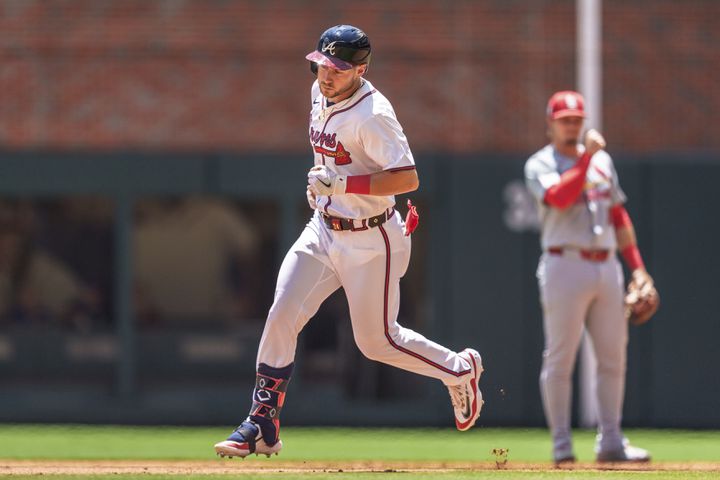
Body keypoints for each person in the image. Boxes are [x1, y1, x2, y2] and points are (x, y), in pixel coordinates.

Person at [214, 24, 484, 458]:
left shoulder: (373, 113)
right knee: (281, 312)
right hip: (323, 228)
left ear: (361, 68)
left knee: (377, 342)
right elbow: (330, 158)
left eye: (338, 68)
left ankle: (459, 369)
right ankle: (262, 422)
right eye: (321, 64)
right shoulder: (318, 93)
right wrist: (325, 187)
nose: (326, 75)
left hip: (372, 236)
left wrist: (340, 183)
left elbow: (408, 177)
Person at [524, 91, 655, 464]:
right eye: (564, 119)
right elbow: (560, 198)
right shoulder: (540, 163)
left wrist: (639, 270)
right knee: (561, 357)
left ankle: (611, 441)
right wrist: (586, 160)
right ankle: (562, 444)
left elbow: (618, 217)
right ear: (550, 123)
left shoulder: (602, 162)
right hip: (563, 263)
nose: (571, 125)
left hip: (607, 264)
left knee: (614, 357)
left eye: (577, 119)